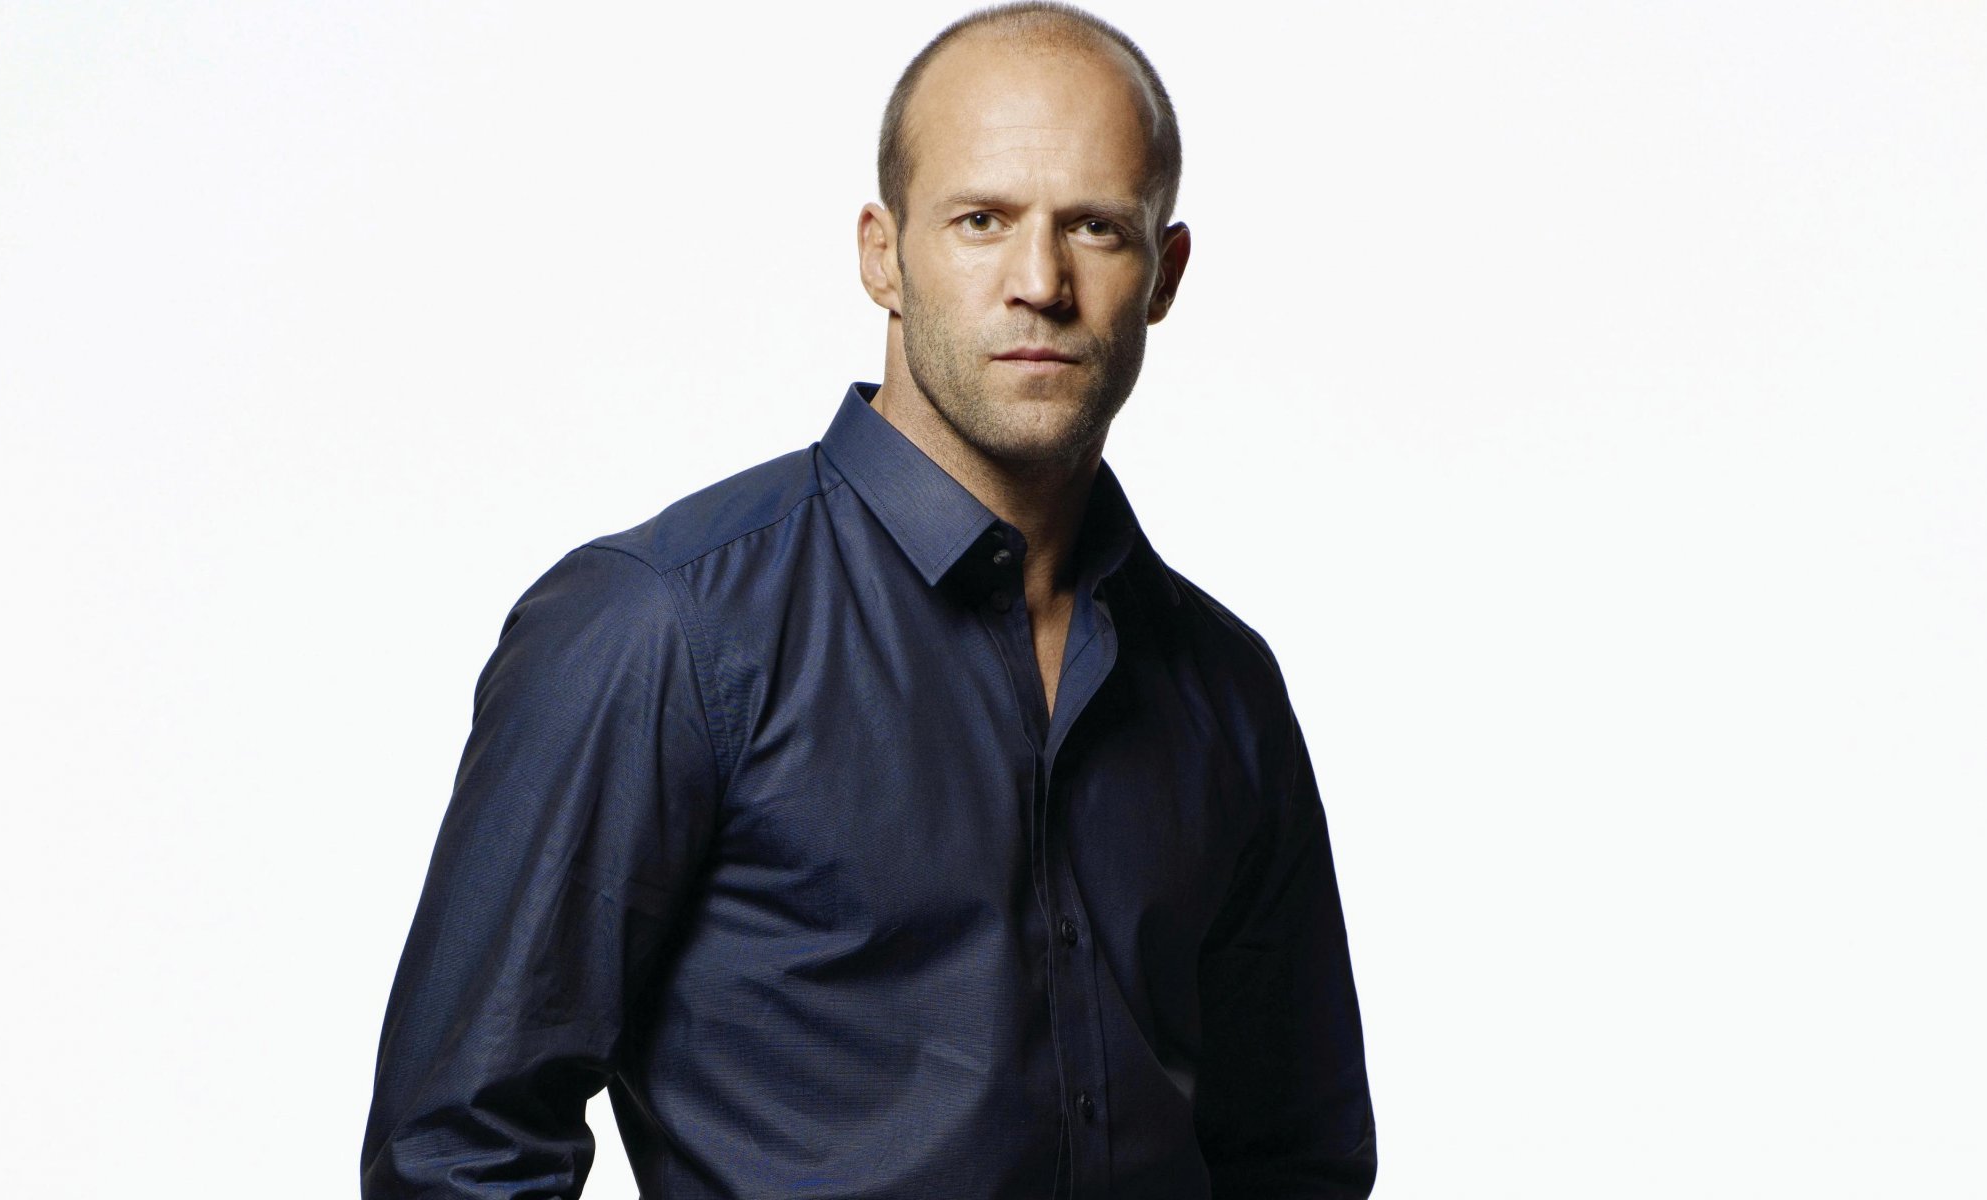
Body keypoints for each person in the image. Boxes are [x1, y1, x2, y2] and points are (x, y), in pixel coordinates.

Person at [359, 3, 1377, 1196]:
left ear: (1165, 273)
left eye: (1096, 227)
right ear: (882, 255)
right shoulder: (662, 628)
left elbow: (1294, 1161)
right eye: (982, 220)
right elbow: (457, 1153)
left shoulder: (1224, 688)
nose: (1040, 283)